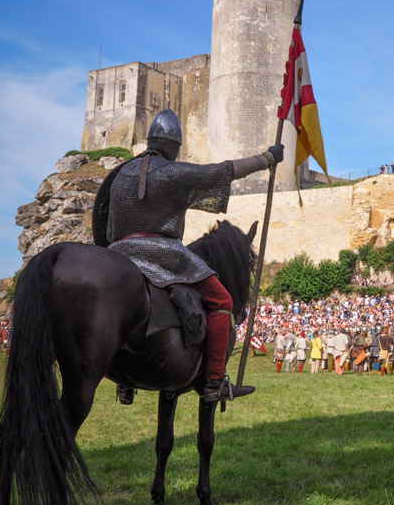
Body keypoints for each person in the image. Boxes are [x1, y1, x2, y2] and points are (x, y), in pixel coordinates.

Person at [100, 109, 284, 403]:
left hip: (119, 255)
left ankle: (124, 380)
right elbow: (224, 171)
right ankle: (213, 382)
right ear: (174, 146)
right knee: (222, 301)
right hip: (164, 254)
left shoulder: (121, 174)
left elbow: (105, 223)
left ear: (149, 140)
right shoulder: (172, 172)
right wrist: (268, 159)